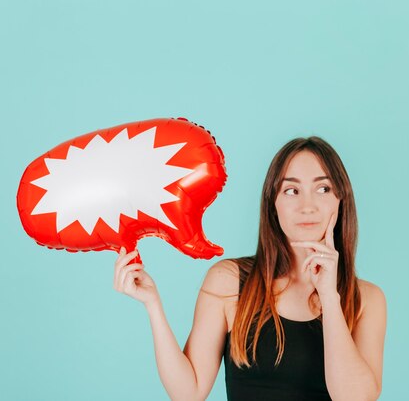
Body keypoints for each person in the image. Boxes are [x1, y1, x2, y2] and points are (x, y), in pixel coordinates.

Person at [113, 136, 386, 401]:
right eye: (291, 190)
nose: (307, 206)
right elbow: (188, 392)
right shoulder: (229, 282)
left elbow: (355, 398)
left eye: (323, 189)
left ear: (341, 200)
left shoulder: (367, 299)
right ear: (273, 204)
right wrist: (153, 305)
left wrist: (329, 295)